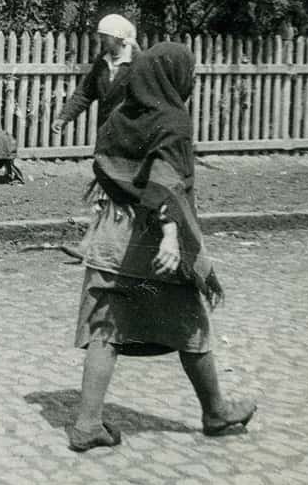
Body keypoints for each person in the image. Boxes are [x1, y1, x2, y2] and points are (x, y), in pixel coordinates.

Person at [69, 42, 256, 452]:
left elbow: (105, 164)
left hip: (110, 236)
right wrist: (172, 234)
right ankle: (216, 413)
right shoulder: (173, 120)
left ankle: (86, 425)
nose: (193, 79)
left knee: (106, 329)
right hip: (151, 244)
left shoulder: (121, 114)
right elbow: (165, 179)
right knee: (191, 324)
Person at [52, 12, 139, 136]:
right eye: (101, 36)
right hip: (105, 130)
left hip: (131, 132)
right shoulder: (102, 62)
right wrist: (64, 117)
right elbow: (85, 92)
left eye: (105, 36)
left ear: (118, 37)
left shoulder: (138, 63)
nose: (102, 40)